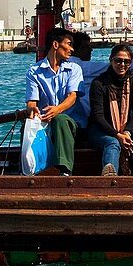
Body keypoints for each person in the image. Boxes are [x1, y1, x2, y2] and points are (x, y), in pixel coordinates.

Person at [87, 44, 133, 176]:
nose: (122, 64)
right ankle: (110, 176)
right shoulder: (99, 83)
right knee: (112, 142)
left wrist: (127, 132)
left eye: (126, 61)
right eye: (118, 60)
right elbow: (98, 116)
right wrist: (117, 134)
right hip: (101, 129)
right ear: (111, 60)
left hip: (126, 127)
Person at [24, 27, 86, 175]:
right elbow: (32, 101)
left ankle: (65, 171)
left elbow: (73, 97)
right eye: (69, 44)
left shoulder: (74, 69)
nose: (71, 49)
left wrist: (56, 110)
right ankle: (29, 170)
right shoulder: (34, 71)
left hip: (73, 124)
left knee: (60, 120)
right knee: (26, 126)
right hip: (46, 122)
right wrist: (32, 109)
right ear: (56, 45)